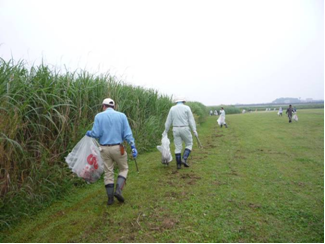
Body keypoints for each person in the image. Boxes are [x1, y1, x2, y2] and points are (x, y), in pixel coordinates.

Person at [86, 98, 138, 205]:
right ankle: (118, 190)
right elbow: (127, 134)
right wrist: (133, 146)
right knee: (124, 168)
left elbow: (95, 134)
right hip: (118, 148)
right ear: (114, 107)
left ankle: (110, 199)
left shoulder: (98, 116)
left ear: (103, 106)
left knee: (108, 172)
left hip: (104, 149)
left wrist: (89, 133)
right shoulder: (122, 116)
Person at [163, 97, 197, 170]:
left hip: (175, 129)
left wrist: (165, 131)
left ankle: (178, 165)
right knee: (189, 144)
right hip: (184, 128)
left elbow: (168, 121)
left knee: (178, 147)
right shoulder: (187, 108)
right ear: (183, 101)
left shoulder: (172, 109)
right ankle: (184, 159)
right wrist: (194, 130)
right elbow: (191, 120)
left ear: (176, 102)